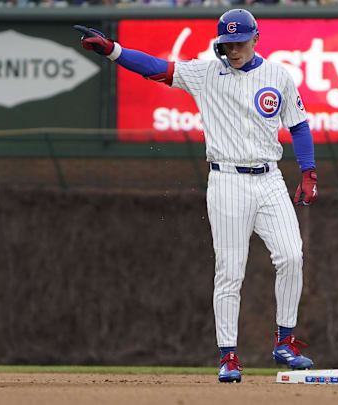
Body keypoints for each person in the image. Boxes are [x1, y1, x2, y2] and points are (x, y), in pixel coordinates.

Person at [74, 8, 318, 383]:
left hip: (269, 178)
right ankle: (229, 356)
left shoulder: (278, 76)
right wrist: (112, 50)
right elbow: (157, 67)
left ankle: (285, 341)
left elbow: (299, 126)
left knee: (292, 256)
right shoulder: (207, 73)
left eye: (238, 42)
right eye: (226, 43)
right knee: (230, 272)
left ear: (255, 39)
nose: (232, 49)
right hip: (226, 180)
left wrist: (309, 171)